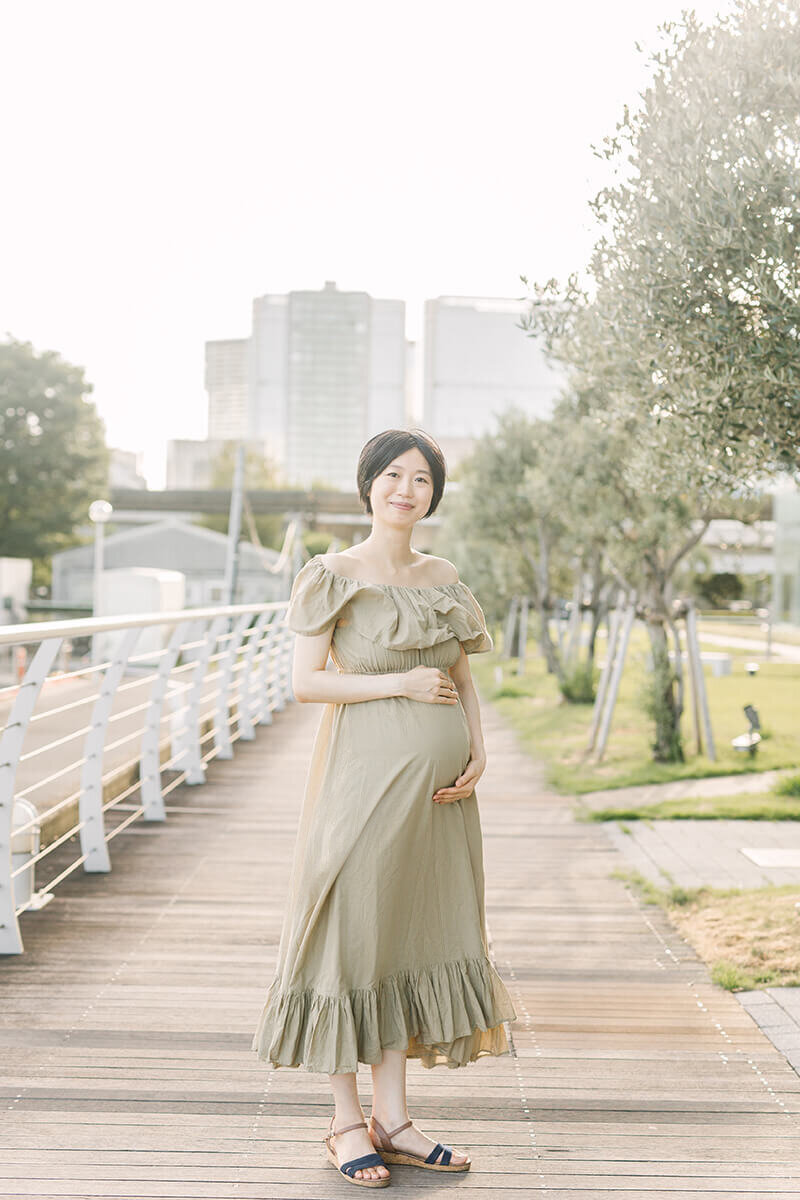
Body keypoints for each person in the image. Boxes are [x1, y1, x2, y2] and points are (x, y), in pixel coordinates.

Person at [251, 428, 517, 1187]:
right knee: (352, 935)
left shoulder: (441, 576)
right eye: (393, 476)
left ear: (435, 493)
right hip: (360, 787)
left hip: (439, 796)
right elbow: (307, 682)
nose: (407, 489)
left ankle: (393, 1119)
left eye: (422, 479)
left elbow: (462, 674)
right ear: (368, 484)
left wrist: (479, 747)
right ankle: (344, 1122)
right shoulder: (332, 573)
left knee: (408, 936)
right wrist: (396, 686)